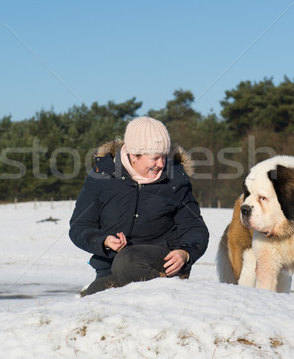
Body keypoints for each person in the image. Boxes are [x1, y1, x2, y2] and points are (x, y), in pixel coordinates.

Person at [69, 116, 209, 296]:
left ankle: (169, 295)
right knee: (94, 292)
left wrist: (185, 252)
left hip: (160, 262)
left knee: (127, 260)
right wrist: (104, 241)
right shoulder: (100, 177)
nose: (161, 164)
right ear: (133, 156)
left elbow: (196, 228)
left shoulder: (175, 179)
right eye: (155, 158)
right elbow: (79, 228)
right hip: (110, 268)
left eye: (164, 157)